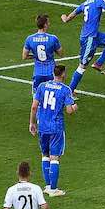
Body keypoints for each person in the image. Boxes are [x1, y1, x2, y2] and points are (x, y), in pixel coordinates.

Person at [29, 64, 78, 196]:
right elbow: (69, 111)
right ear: (63, 74)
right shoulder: (65, 89)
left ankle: (47, 186)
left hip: (42, 126)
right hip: (56, 127)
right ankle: (53, 189)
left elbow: (34, 107)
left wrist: (32, 123)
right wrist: (75, 107)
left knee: (45, 155)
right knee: (54, 157)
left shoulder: (42, 86)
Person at [23, 14, 63, 94]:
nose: (49, 24)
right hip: (50, 72)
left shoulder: (30, 39)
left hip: (38, 73)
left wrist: (35, 56)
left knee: (36, 96)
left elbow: (24, 56)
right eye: (48, 22)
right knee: (52, 96)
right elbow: (60, 53)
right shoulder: (53, 38)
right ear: (45, 24)